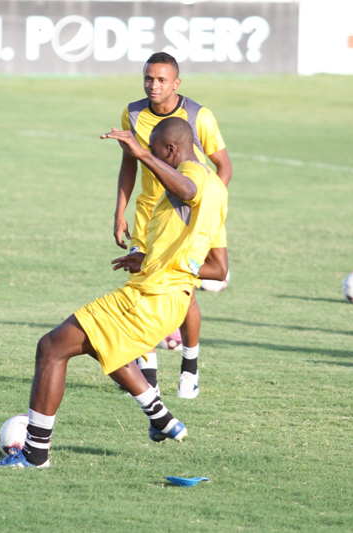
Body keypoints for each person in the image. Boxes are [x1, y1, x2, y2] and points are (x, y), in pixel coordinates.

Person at [0, 117, 228, 468]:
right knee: (100, 345)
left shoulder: (191, 176)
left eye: (156, 152)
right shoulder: (219, 190)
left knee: (51, 348)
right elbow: (217, 267)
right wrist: (152, 261)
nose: (151, 159)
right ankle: (160, 418)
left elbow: (187, 190)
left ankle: (35, 455)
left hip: (151, 299)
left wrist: (140, 154)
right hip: (169, 298)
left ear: (171, 150)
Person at [113, 51, 232, 399]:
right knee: (142, 288)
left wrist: (208, 208)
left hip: (188, 214)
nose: (154, 85)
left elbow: (223, 166)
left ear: (176, 83)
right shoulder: (132, 113)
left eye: (161, 79)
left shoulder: (198, 116)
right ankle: (148, 376)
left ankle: (189, 368)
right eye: (148, 78)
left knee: (185, 292)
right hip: (149, 214)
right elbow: (129, 163)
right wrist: (119, 211)